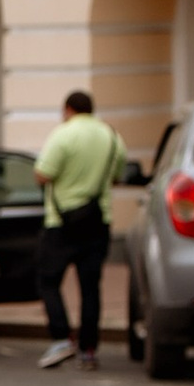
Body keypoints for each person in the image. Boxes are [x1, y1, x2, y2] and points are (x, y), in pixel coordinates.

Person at [34, 85, 127, 371]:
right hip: (98, 221)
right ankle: (89, 349)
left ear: (68, 110)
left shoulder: (63, 134)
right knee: (90, 287)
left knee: (48, 281)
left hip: (61, 222)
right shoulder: (112, 137)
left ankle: (62, 337)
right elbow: (117, 177)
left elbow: (42, 174)